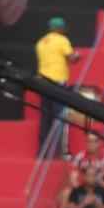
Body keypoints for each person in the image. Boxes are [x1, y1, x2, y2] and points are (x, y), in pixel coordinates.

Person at [35, 16, 78, 157]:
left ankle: (42, 152)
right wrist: (77, 56)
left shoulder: (40, 42)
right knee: (60, 117)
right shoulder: (62, 40)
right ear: (60, 28)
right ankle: (60, 152)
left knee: (45, 118)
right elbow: (72, 58)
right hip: (57, 83)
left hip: (42, 83)